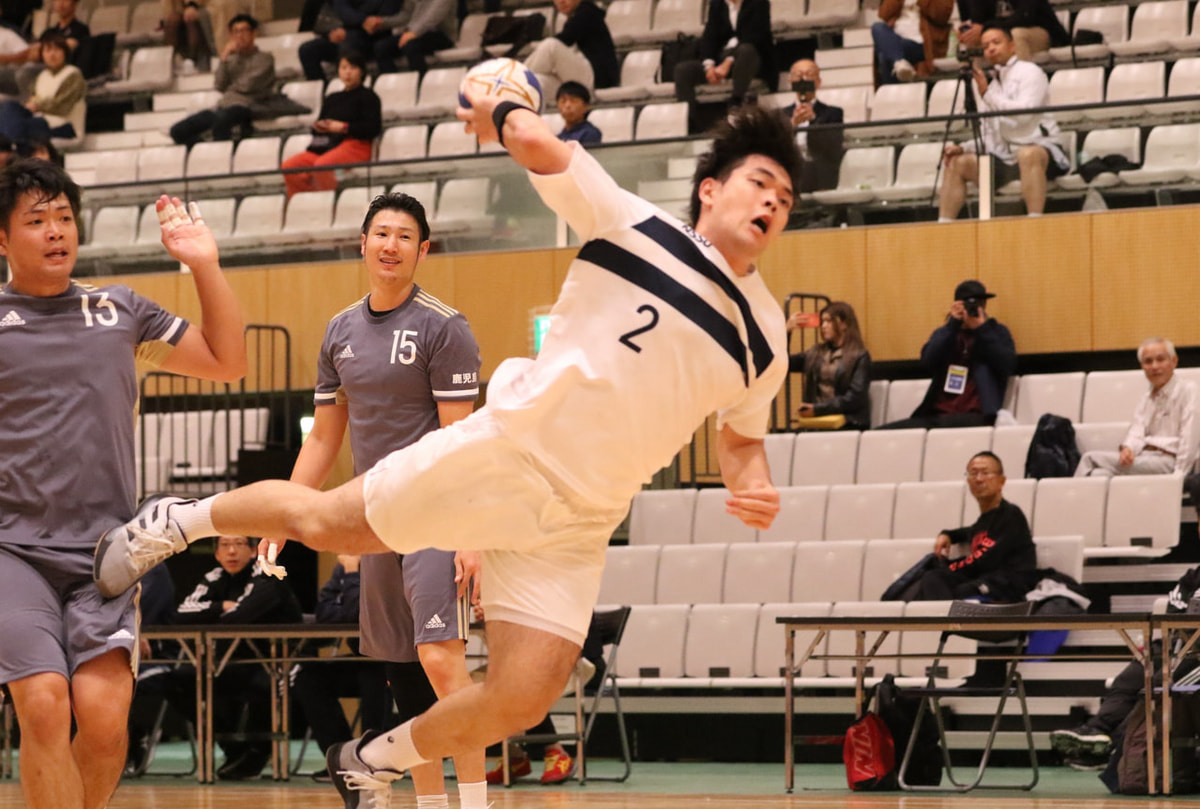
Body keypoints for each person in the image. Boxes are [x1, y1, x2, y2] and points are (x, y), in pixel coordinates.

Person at [94, 100, 799, 809]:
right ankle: (177, 521)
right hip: (512, 455)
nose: (772, 201)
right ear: (711, 189)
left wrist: (754, 481)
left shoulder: (766, 335)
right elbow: (534, 141)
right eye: (760, 182)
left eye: (787, 198)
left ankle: (368, 759)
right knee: (326, 524)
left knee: (522, 696)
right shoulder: (634, 223)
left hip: (585, 517)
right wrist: (503, 106)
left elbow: (740, 439)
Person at [0, 158, 245, 809]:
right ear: (2, 239)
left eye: (64, 217)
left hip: (106, 555)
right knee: (44, 703)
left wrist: (204, 265)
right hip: (12, 552)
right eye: (37, 220)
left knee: (106, 724)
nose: (56, 231)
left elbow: (229, 361)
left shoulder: (118, 311)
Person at [283, 189, 489, 807]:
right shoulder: (339, 330)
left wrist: (472, 536)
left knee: (440, 660)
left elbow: (462, 442)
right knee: (404, 677)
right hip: (374, 523)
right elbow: (324, 437)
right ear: (363, 244)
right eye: (381, 233)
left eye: (404, 236)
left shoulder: (444, 326)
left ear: (423, 250)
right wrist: (284, 511)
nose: (390, 245)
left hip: (434, 517)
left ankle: (476, 802)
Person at [171, 535, 304, 779]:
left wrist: (215, 615)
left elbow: (242, 615)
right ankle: (234, 749)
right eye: (225, 545)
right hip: (228, 661)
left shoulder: (267, 572)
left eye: (239, 544)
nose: (231, 551)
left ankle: (257, 753)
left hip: (273, 661)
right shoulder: (214, 577)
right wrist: (221, 606)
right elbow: (181, 614)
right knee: (180, 680)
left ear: (253, 551)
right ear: (216, 553)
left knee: (262, 686)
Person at [1050, 567, 1200, 776]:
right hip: (1179, 643)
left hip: (1195, 655)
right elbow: (1174, 612)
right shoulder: (1194, 577)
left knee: (1160, 684)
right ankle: (1097, 730)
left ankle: (1115, 748)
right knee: (1132, 677)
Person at [937, 24, 1069, 221]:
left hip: (1041, 150)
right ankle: (943, 227)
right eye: (985, 46)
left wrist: (987, 95)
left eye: (996, 42)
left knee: (1028, 154)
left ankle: (1035, 221)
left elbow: (1023, 115)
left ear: (1012, 46)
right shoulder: (991, 83)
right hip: (1005, 158)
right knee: (957, 163)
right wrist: (963, 148)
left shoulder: (1030, 72)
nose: (990, 48)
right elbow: (990, 133)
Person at [289, 554, 391, 782]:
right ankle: (342, 759)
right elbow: (324, 614)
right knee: (308, 676)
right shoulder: (344, 565)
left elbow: (358, 613)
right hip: (360, 656)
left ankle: (372, 761)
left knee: (374, 674)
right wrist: (349, 603)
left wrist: (352, 574)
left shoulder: (386, 564)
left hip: (394, 660)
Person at [878, 279, 1016, 430]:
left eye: (979, 304)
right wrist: (952, 325)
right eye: (968, 304)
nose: (973, 309)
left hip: (977, 415)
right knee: (881, 433)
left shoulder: (996, 332)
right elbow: (928, 361)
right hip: (937, 414)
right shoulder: (946, 333)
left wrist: (981, 329)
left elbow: (1007, 364)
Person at [904, 451, 1038, 601]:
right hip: (984, 581)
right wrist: (948, 534)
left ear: (1001, 481)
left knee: (957, 588)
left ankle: (944, 616)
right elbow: (969, 532)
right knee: (933, 578)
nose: (979, 479)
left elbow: (985, 560)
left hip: (1008, 585)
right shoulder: (982, 523)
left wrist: (949, 566)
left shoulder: (1011, 515)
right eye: (973, 474)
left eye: (985, 473)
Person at [1077, 338, 1197, 478]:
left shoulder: (1189, 390)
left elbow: (1190, 439)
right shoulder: (1147, 397)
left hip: (1169, 460)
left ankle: (1067, 492)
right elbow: (1137, 431)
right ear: (1142, 366)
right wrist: (1128, 448)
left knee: (1089, 459)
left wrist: (1179, 475)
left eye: (1160, 359)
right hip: (1145, 456)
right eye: (1148, 361)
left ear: (1174, 361)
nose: (1154, 366)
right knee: (1098, 474)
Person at [281, 51, 381, 198]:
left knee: (323, 165)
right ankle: (306, 201)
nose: (348, 72)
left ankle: (326, 202)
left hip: (356, 145)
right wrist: (322, 127)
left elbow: (373, 128)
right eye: (344, 68)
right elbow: (317, 127)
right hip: (329, 145)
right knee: (289, 167)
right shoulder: (332, 98)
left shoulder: (369, 97)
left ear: (361, 71)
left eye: (352, 68)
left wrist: (344, 127)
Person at [169, 15, 275, 146]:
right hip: (224, 107)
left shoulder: (265, 58)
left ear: (254, 33)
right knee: (178, 131)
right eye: (236, 32)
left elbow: (248, 85)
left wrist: (230, 87)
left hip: (250, 105)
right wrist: (224, 58)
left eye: (244, 31)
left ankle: (223, 155)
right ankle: (204, 150)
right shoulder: (230, 59)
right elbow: (219, 85)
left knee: (221, 122)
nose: (240, 36)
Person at [674, 0, 777, 124]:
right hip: (723, 59)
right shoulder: (717, 4)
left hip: (753, 61)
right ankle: (690, 120)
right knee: (683, 70)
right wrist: (709, 66)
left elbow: (754, 38)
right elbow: (710, 37)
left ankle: (736, 102)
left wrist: (728, 63)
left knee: (746, 51)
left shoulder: (759, 3)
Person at [787, 301, 871, 430]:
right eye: (822, 321)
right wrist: (787, 332)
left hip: (848, 422)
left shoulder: (860, 356)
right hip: (817, 422)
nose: (823, 326)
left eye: (829, 321)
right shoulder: (816, 352)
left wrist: (818, 409)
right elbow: (785, 363)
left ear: (844, 324)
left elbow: (855, 398)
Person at [523, 0, 618, 105]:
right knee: (538, 81)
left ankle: (516, 78)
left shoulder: (587, 12)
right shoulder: (575, 16)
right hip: (577, 82)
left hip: (597, 78)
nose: (562, 1)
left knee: (551, 45)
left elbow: (565, 39)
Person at [0, 31, 85, 148]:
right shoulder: (41, 76)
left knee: (19, 126)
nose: (52, 54)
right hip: (40, 122)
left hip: (65, 126)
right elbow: (31, 100)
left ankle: (9, 149)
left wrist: (37, 106)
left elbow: (63, 106)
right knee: (9, 107)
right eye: (48, 50)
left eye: (56, 50)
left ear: (65, 52)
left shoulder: (73, 74)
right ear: (42, 55)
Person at [781, 59, 843, 193]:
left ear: (818, 82)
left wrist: (814, 120)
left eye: (808, 74)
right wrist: (792, 125)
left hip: (820, 174)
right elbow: (777, 146)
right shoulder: (781, 115)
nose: (803, 78)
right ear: (790, 81)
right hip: (791, 172)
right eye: (798, 75)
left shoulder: (833, 113)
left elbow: (831, 148)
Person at [305, 0, 409, 80]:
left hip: (376, 37)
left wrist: (350, 30)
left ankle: (355, 92)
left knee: (349, 46)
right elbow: (343, 11)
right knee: (308, 50)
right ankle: (324, 92)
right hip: (347, 34)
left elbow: (384, 17)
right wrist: (362, 21)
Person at [16, 0, 88, 97]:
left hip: (62, 67)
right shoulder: (49, 32)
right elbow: (34, 52)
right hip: (42, 64)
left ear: (74, 4)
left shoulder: (80, 29)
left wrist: (45, 47)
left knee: (26, 72)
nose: (61, 4)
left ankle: (33, 103)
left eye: (65, 0)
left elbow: (72, 46)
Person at [957, 0, 1068, 62]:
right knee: (973, 42)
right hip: (999, 30)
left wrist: (985, 28)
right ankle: (980, 92)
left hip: (1039, 30)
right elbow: (975, 20)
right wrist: (968, 32)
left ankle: (1022, 87)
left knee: (1016, 35)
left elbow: (1025, 15)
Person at [872, 0, 955, 83]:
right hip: (897, 38)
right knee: (877, 27)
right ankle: (899, 62)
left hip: (923, 42)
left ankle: (897, 63)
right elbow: (884, 14)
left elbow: (942, 15)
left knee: (885, 55)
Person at [555, 81, 600, 145]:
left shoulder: (590, 133)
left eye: (573, 101)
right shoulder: (559, 137)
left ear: (586, 106)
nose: (567, 105)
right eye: (563, 101)